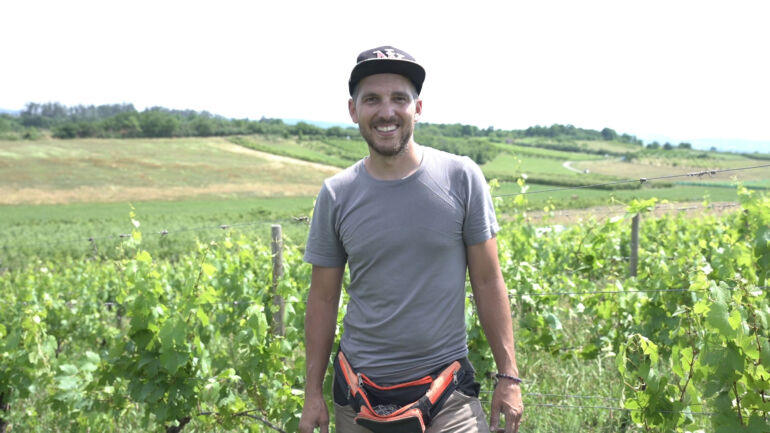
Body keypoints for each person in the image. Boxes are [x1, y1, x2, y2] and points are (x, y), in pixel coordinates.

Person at [298, 45, 523, 433]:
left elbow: (488, 280)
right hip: (358, 398)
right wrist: (312, 394)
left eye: (399, 98)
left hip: (448, 396)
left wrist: (509, 375)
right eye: (372, 100)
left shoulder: (461, 178)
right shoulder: (336, 195)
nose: (387, 112)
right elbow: (322, 298)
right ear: (353, 111)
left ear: (417, 108)